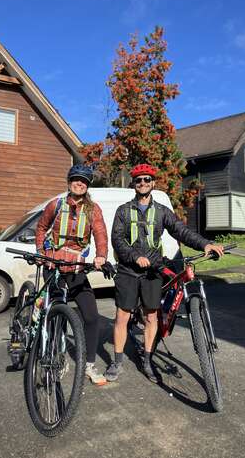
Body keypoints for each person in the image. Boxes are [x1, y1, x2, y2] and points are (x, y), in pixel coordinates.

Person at [105, 164, 224, 383]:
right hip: (128, 270)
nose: (143, 183)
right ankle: (117, 362)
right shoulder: (123, 210)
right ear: (133, 183)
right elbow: (117, 240)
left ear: (153, 183)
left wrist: (205, 244)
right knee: (122, 316)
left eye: (147, 180)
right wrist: (133, 256)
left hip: (152, 271)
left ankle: (148, 361)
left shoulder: (161, 211)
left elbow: (182, 231)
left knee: (152, 316)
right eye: (139, 180)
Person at [35, 164, 108, 386]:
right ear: (69, 182)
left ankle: (89, 365)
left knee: (92, 316)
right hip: (54, 265)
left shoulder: (93, 209)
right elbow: (40, 227)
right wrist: (40, 251)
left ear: (87, 186)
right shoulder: (55, 205)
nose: (80, 183)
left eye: (84, 181)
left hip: (76, 269)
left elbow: (100, 233)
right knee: (54, 317)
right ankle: (52, 361)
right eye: (76, 179)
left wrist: (101, 255)